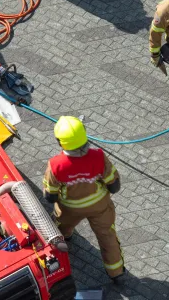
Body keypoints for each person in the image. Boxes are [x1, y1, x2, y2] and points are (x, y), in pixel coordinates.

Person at [43, 116, 125, 283]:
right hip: (100, 206)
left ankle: (65, 236)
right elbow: (114, 186)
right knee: (107, 237)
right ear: (84, 134)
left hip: (69, 208)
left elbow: (50, 195)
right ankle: (116, 272)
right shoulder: (98, 157)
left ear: (60, 142)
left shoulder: (55, 165)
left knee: (60, 225)